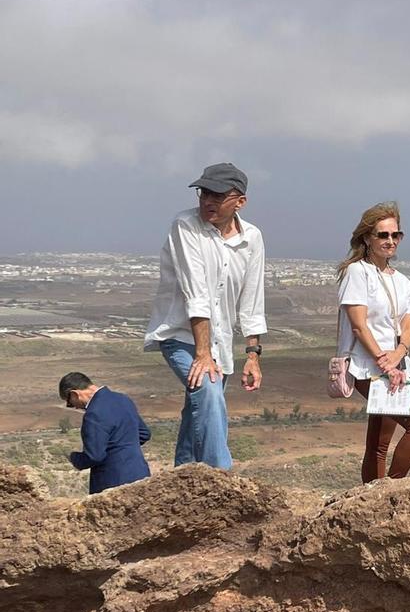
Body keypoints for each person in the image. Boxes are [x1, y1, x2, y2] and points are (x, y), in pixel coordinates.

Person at [144, 162, 266, 470]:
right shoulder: (185, 225)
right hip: (181, 335)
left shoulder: (252, 238)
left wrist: (252, 354)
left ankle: (182, 475)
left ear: (240, 201)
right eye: (204, 192)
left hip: (220, 342)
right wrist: (202, 353)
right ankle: (221, 476)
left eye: (218, 194)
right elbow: (194, 292)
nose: (208, 200)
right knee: (210, 393)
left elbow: (252, 300)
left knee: (199, 408)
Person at [336, 202, 410, 482]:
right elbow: (358, 325)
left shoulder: (401, 280)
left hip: (396, 365)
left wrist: (399, 352)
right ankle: (391, 490)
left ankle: (373, 495)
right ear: (367, 237)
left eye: (395, 235)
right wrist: (384, 361)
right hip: (368, 365)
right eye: (382, 235)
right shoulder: (357, 272)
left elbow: (408, 324)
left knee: (378, 442)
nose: (390, 241)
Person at [59, 372, 151, 494]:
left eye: (70, 403)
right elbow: (144, 434)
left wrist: (74, 458)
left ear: (75, 394)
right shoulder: (123, 399)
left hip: (113, 484)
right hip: (141, 475)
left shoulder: (93, 414)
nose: (74, 407)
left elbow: (94, 456)